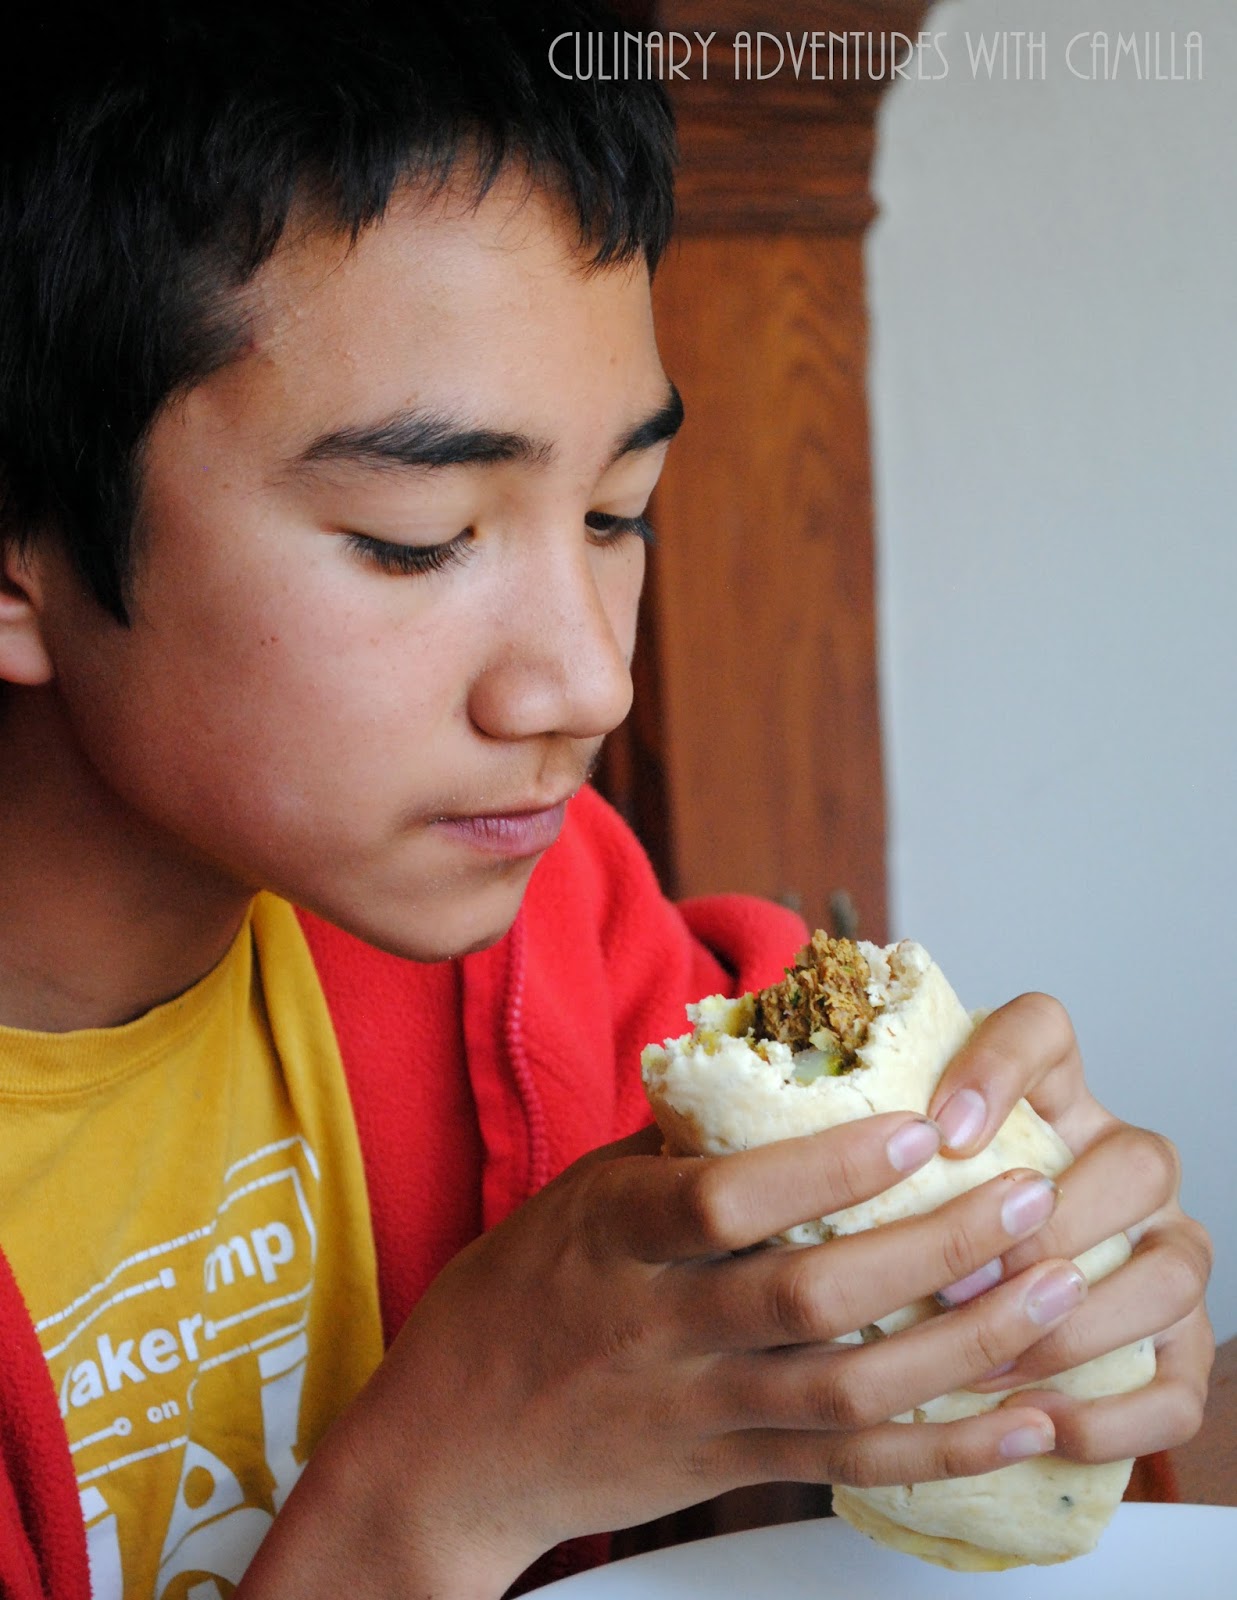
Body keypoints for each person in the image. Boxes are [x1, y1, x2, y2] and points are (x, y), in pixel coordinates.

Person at [0, 2, 1212, 1596]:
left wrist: (1014, 1322)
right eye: (420, 540)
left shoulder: (555, 932)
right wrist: (439, 1490)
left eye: (616, 513)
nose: (585, 684)